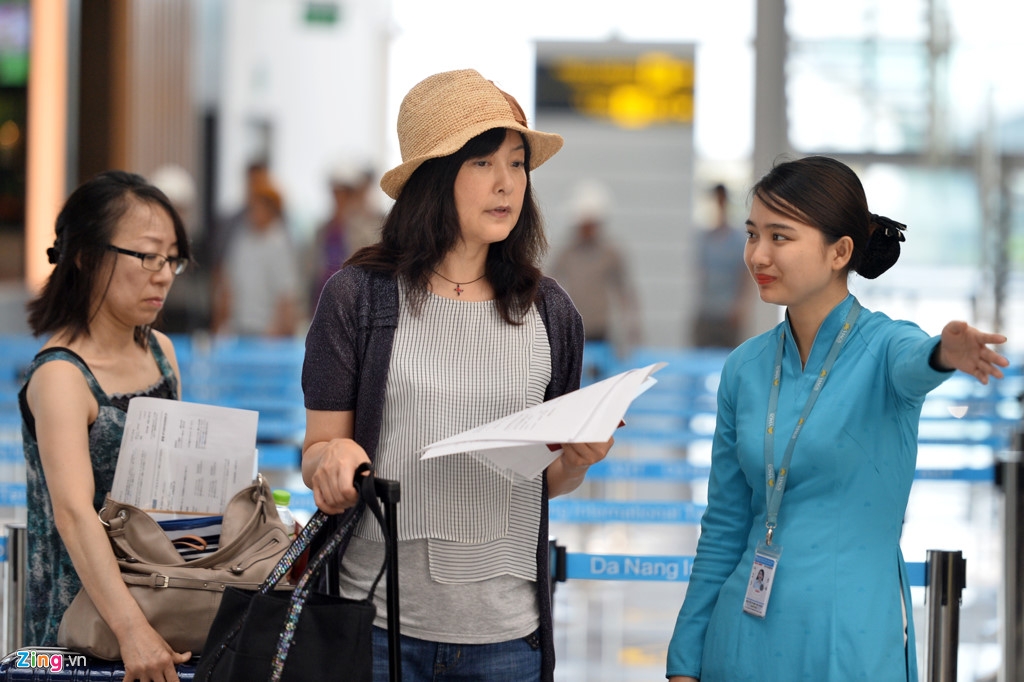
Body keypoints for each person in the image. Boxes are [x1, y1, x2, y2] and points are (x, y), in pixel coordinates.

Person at [301, 68, 614, 682]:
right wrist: (331, 461)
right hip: (378, 628)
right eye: (481, 163)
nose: (506, 184)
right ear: (433, 179)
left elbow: (545, 481)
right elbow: (317, 450)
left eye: (518, 164)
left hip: (506, 638)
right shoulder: (359, 299)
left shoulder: (550, 312)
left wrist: (576, 460)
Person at [666, 156, 1009, 682]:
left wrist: (945, 352)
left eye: (780, 237)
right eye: (752, 233)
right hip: (740, 641)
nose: (758, 254)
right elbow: (725, 526)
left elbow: (917, 361)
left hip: (847, 638)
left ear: (839, 251)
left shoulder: (884, 347)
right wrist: (685, 661)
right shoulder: (745, 368)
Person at [19, 171, 193, 682]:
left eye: (171, 258)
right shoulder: (60, 376)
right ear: (86, 254)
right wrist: (132, 631)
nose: (162, 274)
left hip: (159, 605)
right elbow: (74, 515)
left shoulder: (161, 352)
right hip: (84, 628)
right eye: (147, 255)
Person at [550, 179, 640, 355]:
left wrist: (631, 326)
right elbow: (551, 284)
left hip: (600, 329)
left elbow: (624, 292)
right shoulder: (566, 254)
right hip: (572, 328)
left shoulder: (610, 254)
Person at [211, 175, 300, 336]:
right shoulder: (241, 238)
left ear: (270, 209)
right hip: (237, 329)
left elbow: (286, 296)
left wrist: (279, 333)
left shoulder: (280, 244)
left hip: (267, 333)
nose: (252, 212)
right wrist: (219, 326)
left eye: (257, 206)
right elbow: (227, 284)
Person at [307, 160, 382, 313]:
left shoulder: (366, 229)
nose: (339, 198)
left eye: (343, 193)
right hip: (324, 305)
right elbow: (312, 272)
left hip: (353, 308)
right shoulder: (323, 230)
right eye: (336, 192)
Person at [691, 183, 753, 349]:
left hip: (728, 312)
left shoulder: (738, 240)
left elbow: (744, 276)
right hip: (706, 310)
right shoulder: (705, 239)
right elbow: (701, 273)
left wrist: (740, 307)